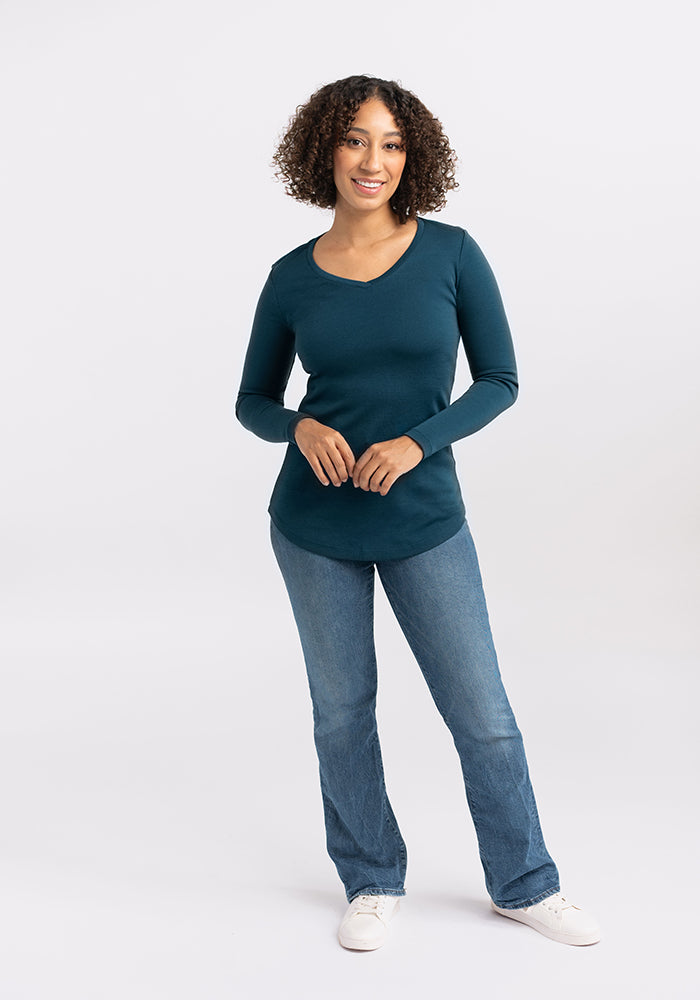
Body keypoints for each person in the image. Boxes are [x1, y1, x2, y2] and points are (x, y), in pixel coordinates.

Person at [235, 75, 600, 951]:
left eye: (393, 143)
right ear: (325, 149)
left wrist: (417, 443)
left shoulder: (451, 252)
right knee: (342, 713)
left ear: (414, 156)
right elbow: (252, 400)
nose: (374, 160)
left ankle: (524, 882)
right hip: (312, 526)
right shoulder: (291, 277)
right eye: (357, 140)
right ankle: (371, 876)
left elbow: (501, 381)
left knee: (481, 712)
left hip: (425, 517)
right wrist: (299, 425)